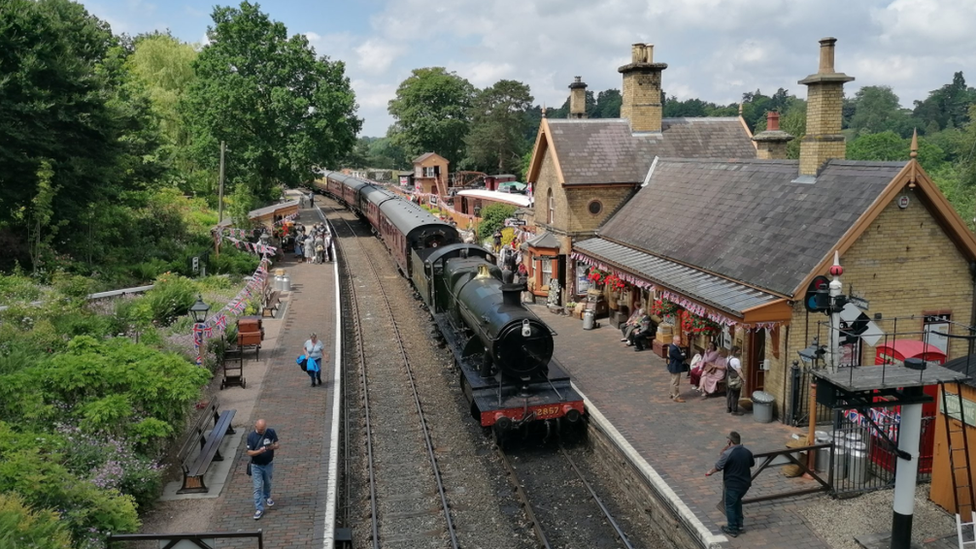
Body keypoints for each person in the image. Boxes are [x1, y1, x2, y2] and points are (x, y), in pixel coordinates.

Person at [706, 431, 755, 538]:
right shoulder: (747, 452)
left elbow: (718, 466)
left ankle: (732, 528)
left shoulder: (728, 454)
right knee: (737, 502)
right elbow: (752, 463)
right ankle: (739, 525)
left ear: (730, 441)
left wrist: (710, 472)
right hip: (745, 484)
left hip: (733, 485)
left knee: (730, 506)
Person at [246, 419, 280, 520]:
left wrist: (272, 447)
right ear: (255, 427)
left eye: (263, 429)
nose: (261, 431)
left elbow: (277, 445)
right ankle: (259, 508)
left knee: (268, 482)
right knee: (257, 487)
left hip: (268, 463)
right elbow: (249, 452)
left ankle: (267, 496)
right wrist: (259, 452)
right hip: (256, 465)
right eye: (260, 430)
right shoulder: (251, 436)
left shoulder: (270, 432)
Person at [668, 335, 686, 403]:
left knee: (673, 381)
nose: (679, 342)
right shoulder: (673, 349)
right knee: (675, 383)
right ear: (674, 340)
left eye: (679, 341)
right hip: (675, 367)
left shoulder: (674, 346)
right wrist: (683, 356)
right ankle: (676, 396)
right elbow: (680, 357)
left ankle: (671, 393)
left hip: (673, 366)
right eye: (678, 341)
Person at [726, 346, 744, 415]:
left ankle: (729, 408)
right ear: (735, 351)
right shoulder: (736, 360)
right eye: (739, 351)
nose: (740, 353)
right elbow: (739, 371)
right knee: (735, 394)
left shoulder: (728, 358)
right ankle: (734, 410)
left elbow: (726, 367)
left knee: (729, 393)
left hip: (729, 377)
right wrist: (743, 379)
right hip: (735, 379)